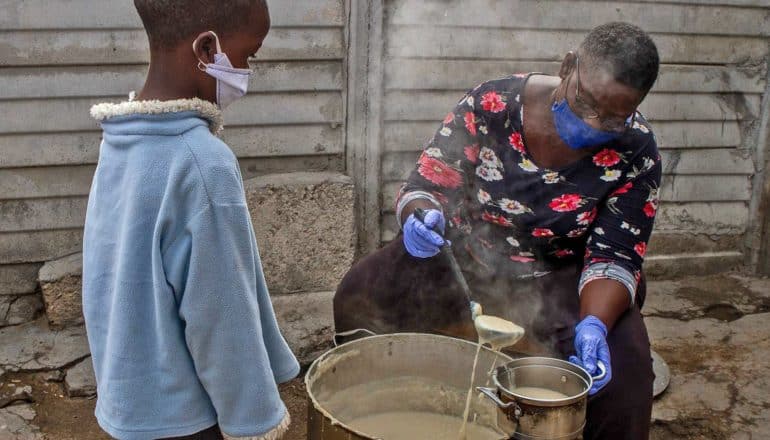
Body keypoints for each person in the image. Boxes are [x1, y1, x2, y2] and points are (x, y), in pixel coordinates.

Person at [334, 22, 660, 439]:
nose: (595, 124)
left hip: (562, 277)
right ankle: (367, 407)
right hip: (463, 257)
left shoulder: (636, 149)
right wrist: (421, 214)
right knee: (360, 291)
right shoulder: (491, 104)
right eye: (587, 102)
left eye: (614, 118)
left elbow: (615, 254)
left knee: (626, 379)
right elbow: (427, 184)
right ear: (567, 67)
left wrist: (594, 323)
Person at [83, 1, 299, 439]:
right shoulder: (202, 163)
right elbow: (221, 316)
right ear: (206, 47)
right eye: (248, 56)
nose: (247, 71)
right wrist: (254, 422)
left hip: (131, 405)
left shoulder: (124, 141)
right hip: (188, 420)